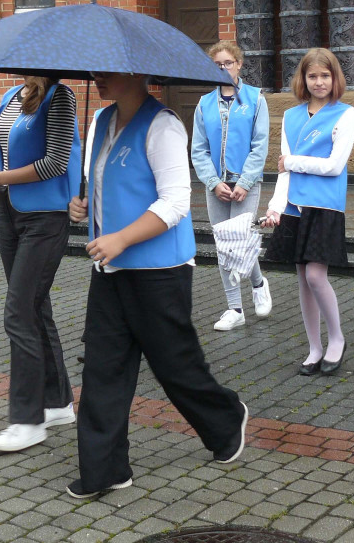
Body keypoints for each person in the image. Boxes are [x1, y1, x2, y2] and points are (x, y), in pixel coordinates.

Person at [67, 72, 248, 498]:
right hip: (110, 269)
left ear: (137, 75)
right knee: (103, 368)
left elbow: (175, 203)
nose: (98, 80)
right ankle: (106, 469)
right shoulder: (100, 121)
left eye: (107, 73)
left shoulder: (163, 124)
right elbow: (109, 184)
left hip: (159, 271)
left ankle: (226, 420)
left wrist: (121, 237)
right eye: (96, 72)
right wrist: (83, 205)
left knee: (174, 366)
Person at [0, 77, 81, 452]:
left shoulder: (59, 96)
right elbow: (7, 149)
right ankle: (58, 403)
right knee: (35, 308)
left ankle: (27, 420)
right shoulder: (10, 95)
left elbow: (54, 163)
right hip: (10, 214)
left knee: (18, 313)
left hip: (45, 217)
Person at [262, 48, 354, 377]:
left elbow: (333, 166)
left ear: (335, 79)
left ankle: (337, 339)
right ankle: (314, 347)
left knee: (317, 276)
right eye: (312, 76)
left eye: (325, 76)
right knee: (303, 279)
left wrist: (292, 162)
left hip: (325, 204)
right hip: (293, 205)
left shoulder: (346, 114)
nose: (319, 82)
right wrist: (275, 206)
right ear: (303, 79)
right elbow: (283, 170)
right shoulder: (290, 116)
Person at [191, 41, 272, 331]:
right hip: (217, 186)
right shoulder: (204, 104)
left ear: (238, 64)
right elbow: (198, 149)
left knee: (241, 239)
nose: (223, 68)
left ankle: (258, 283)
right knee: (224, 246)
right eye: (217, 65)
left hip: (246, 183)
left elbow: (260, 145)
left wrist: (246, 181)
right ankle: (234, 308)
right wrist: (213, 183)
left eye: (228, 63)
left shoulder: (255, 99)